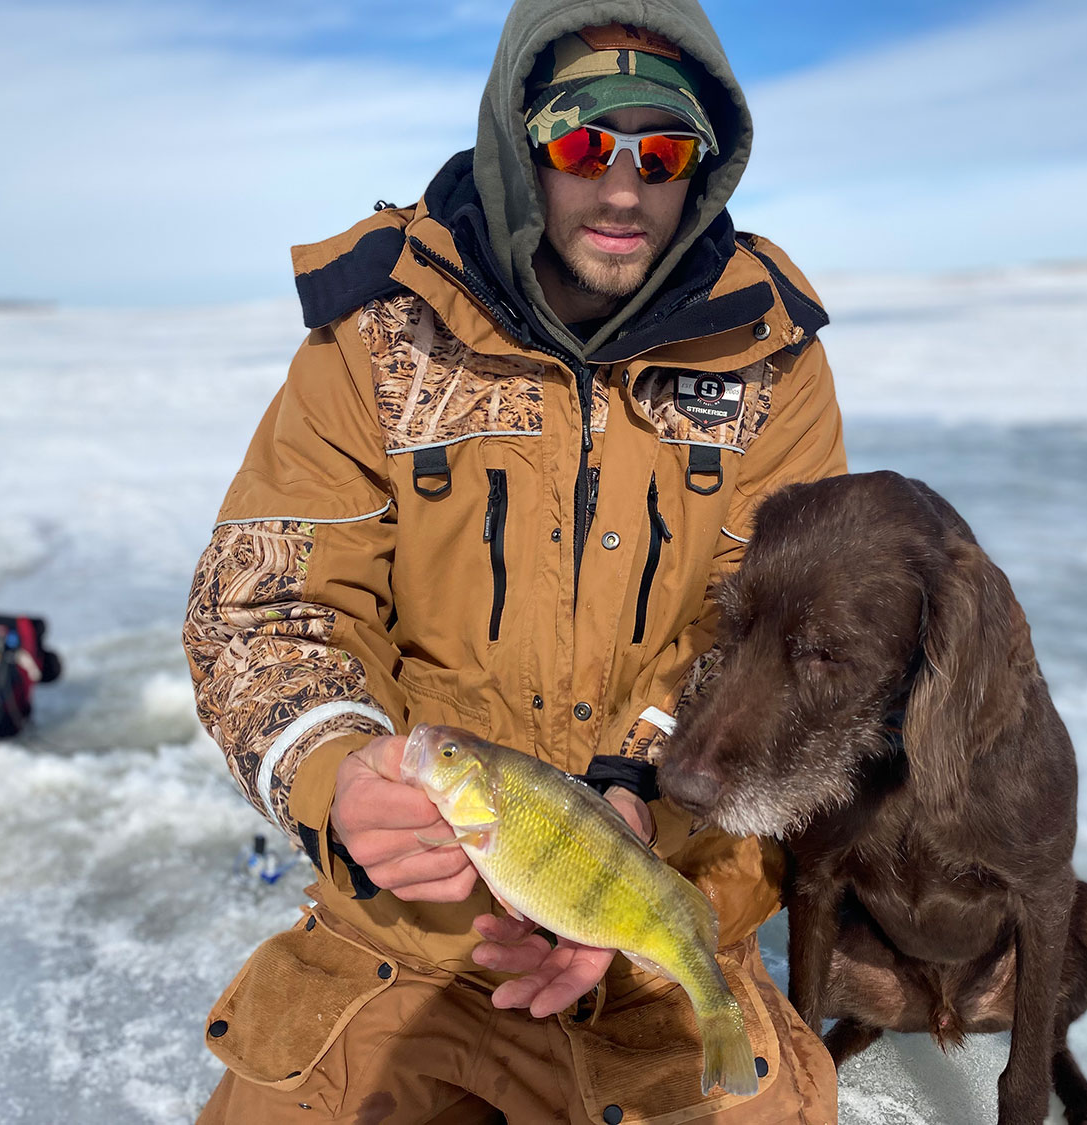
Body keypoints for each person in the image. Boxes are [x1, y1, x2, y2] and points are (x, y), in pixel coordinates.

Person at [183, 2, 845, 1121]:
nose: (623, 187)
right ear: (518, 142)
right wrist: (337, 776)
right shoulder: (379, 334)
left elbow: (781, 636)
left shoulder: (770, 359)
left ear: (706, 164)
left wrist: (644, 789)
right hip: (400, 954)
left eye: (664, 149)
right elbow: (266, 606)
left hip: (661, 944)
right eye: (585, 142)